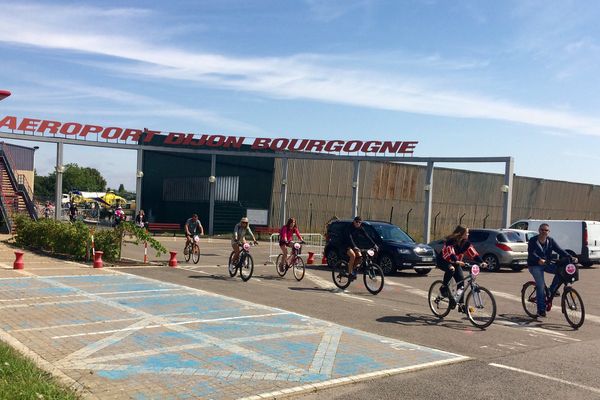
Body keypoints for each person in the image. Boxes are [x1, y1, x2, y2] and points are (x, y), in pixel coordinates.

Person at [527, 223, 577, 318]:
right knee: (541, 286)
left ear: (548, 232)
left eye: (546, 230)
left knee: (561, 272)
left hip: (547, 263)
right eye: (542, 230)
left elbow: (559, 250)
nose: (544, 232)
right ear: (539, 230)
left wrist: (571, 257)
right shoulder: (533, 240)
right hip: (535, 265)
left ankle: (551, 290)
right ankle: (541, 310)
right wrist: (539, 259)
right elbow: (531, 253)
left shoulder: (550, 241)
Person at [436, 225, 487, 306]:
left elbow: (473, 253)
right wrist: (456, 261)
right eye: (467, 233)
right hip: (443, 260)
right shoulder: (451, 241)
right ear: (461, 233)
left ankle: (461, 304)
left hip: (456, 262)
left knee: (461, 284)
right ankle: (443, 288)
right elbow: (450, 252)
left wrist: (481, 262)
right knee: (451, 269)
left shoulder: (466, 243)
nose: (468, 234)